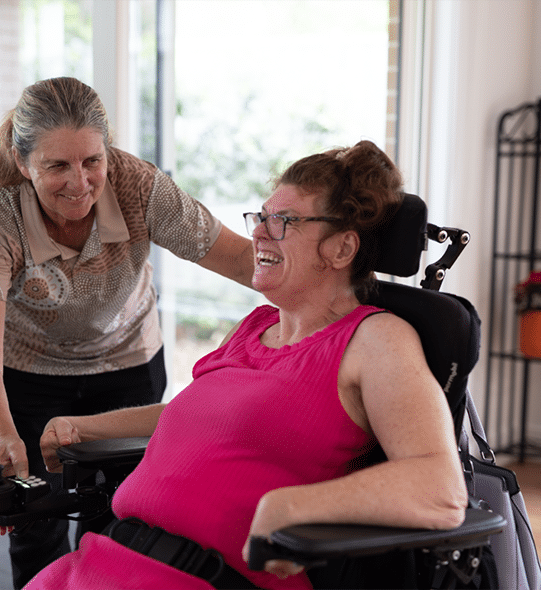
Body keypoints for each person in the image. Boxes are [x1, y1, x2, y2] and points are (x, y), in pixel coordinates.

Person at [24, 140, 469, 590]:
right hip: (100, 563)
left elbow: (441, 488)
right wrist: (82, 427)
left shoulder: (377, 340)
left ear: (341, 249)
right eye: (261, 217)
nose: (258, 232)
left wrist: (293, 507)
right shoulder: (254, 326)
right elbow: (197, 418)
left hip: (203, 579)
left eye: (284, 222)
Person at [0, 76, 254, 589]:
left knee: (118, 522)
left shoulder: (140, 187)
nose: (79, 182)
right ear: (23, 161)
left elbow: (245, 261)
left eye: (92, 160)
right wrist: (3, 435)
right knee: (35, 523)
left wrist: (341, 299)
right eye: (56, 166)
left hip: (128, 367)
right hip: (30, 375)